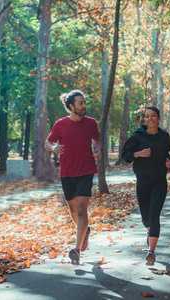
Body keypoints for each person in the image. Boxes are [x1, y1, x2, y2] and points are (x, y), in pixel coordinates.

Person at [45, 90, 102, 265]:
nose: (84, 106)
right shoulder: (60, 124)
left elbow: (97, 139)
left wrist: (98, 149)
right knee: (72, 210)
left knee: (81, 209)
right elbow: (47, 142)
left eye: (84, 103)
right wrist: (54, 147)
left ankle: (76, 249)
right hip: (67, 172)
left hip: (86, 170)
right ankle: (85, 230)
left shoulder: (91, 123)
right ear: (71, 106)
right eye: (80, 103)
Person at [121, 106, 170, 265]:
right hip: (143, 181)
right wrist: (139, 153)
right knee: (145, 218)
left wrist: (168, 161)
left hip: (160, 181)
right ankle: (148, 230)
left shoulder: (164, 136)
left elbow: (166, 153)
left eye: (153, 116)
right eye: (147, 116)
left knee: (154, 214)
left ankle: (151, 252)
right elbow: (125, 156)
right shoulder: (137, 136)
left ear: (158, 118)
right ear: (144, 119)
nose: (150, 119)